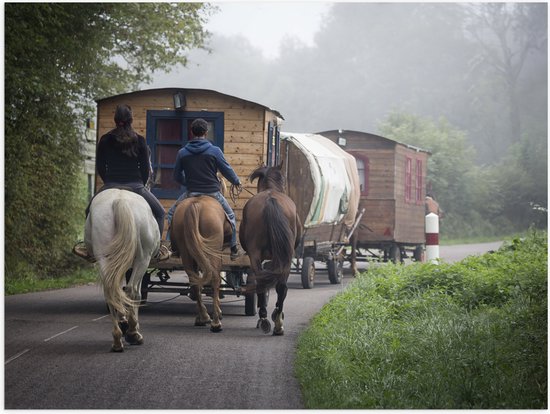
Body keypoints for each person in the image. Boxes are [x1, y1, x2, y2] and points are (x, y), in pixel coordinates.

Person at [73, 104, 170, 262]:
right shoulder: (140, 140)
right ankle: (157, 250)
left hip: (111, 184)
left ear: (115, 120)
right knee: (160, 212)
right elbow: (145, 168)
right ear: (131, 120)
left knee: (89, 210)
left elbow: (100, 167)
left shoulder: (105, 139)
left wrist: (108, 182)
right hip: (136, 186)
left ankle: (88, 248)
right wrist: (140, 184)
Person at [169, 118, 245, 260]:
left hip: (191, 193)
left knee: (171, 214)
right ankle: (234, 248)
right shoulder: (214, 151)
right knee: (231, 217)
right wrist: (236, 181)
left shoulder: (182, 152)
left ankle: (173, 248)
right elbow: (226, 169)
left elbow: (176, 176)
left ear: (192, 132)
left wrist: (187, 182)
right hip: (213, 193)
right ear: (206, 132)